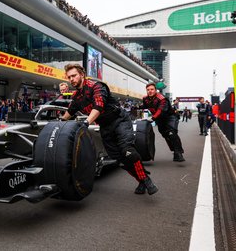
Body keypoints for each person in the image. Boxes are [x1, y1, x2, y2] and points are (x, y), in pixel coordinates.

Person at [61, 64, 158, 195]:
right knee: (119, 159)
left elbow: (99, 106)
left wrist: (86, 122)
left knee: (127, 151)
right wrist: (59, 123)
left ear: (82, 74)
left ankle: (146, 180)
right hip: (105, 127)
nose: (71, 79)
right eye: (69, 77)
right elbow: (70, 112)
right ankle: (141, 179)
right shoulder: (77, 96)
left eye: (74, 75)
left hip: (119, 121)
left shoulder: (97, 86)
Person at [140, 83, 185, 162]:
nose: (150, 91)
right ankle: (174, 151)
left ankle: (179, 153)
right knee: (166, 135)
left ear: (155, 90)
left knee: (172, 133)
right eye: (148, 90)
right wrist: (136, 107)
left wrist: (152, 118)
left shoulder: (162, 98)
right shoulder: (145, 98)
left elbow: (160, 110)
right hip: (159, 120)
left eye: (152, 89)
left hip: (170, 118)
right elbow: (145, 106)